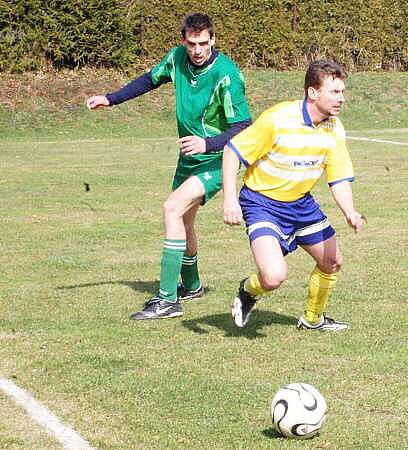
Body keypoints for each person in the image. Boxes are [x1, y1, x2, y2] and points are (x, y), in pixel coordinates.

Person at [86, 13, 252, 320]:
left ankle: (166, 300)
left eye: (204, 43)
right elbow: (150, 79)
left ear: (212, 40)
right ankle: (192, 285)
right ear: (184, 41)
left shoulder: (226, 74)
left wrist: (208, 144)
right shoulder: (178, 58)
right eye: (192, 43)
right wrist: (110, 99)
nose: (198, 49)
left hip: (218, 159)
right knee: (185, 219)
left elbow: (244, 125)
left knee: (172, 208)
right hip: (188, 158)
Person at [222, 59, 363, 331]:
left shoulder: (334, 128)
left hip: (300, 204)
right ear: (313, 93)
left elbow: (339, 179)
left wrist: (350, 212)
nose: (341, 98)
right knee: (273, 277)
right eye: (335, 92)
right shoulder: (278, 118)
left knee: (332, 260)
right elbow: (232, 151)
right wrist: (229, 199)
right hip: (261, 203)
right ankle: (248, 291)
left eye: (342, 92)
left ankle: (312, 319)